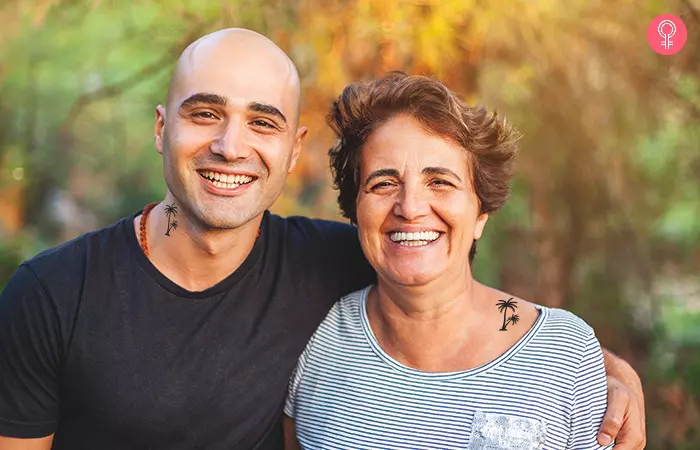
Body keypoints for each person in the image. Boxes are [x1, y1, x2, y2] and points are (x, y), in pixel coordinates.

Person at [0, 29, 645, 450]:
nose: (230, 145)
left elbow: (463, 298)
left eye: (262, 121)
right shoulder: (52, 294)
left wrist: (606, 372)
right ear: (161, 128)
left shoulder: (331, 265)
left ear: (291, 150)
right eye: (205, 114)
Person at [283, 73, 624, 449]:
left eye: (440, 182)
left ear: (481, 214)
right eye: (383, 183)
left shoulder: (565, 354)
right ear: (355, 210)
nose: (410, 208)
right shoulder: (313, 340)